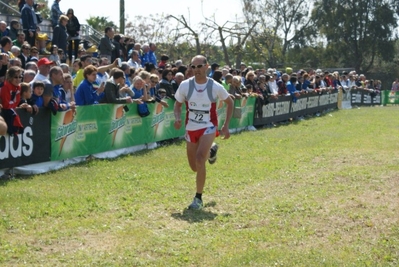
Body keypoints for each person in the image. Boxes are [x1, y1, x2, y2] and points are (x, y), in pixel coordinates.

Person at [173, 55, 233, 210]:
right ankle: (212, 150)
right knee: (194, 167)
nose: (196, 70)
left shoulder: (215, 86)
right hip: (191, 127)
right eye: (193, 67)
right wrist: (178, 118)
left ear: (207, 67)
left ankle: (198, 198)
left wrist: (226, 126)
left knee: (200, 159)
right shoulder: (185, 86)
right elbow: (177, 105)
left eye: (199, 66)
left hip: (209, 126)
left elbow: (230, 102)